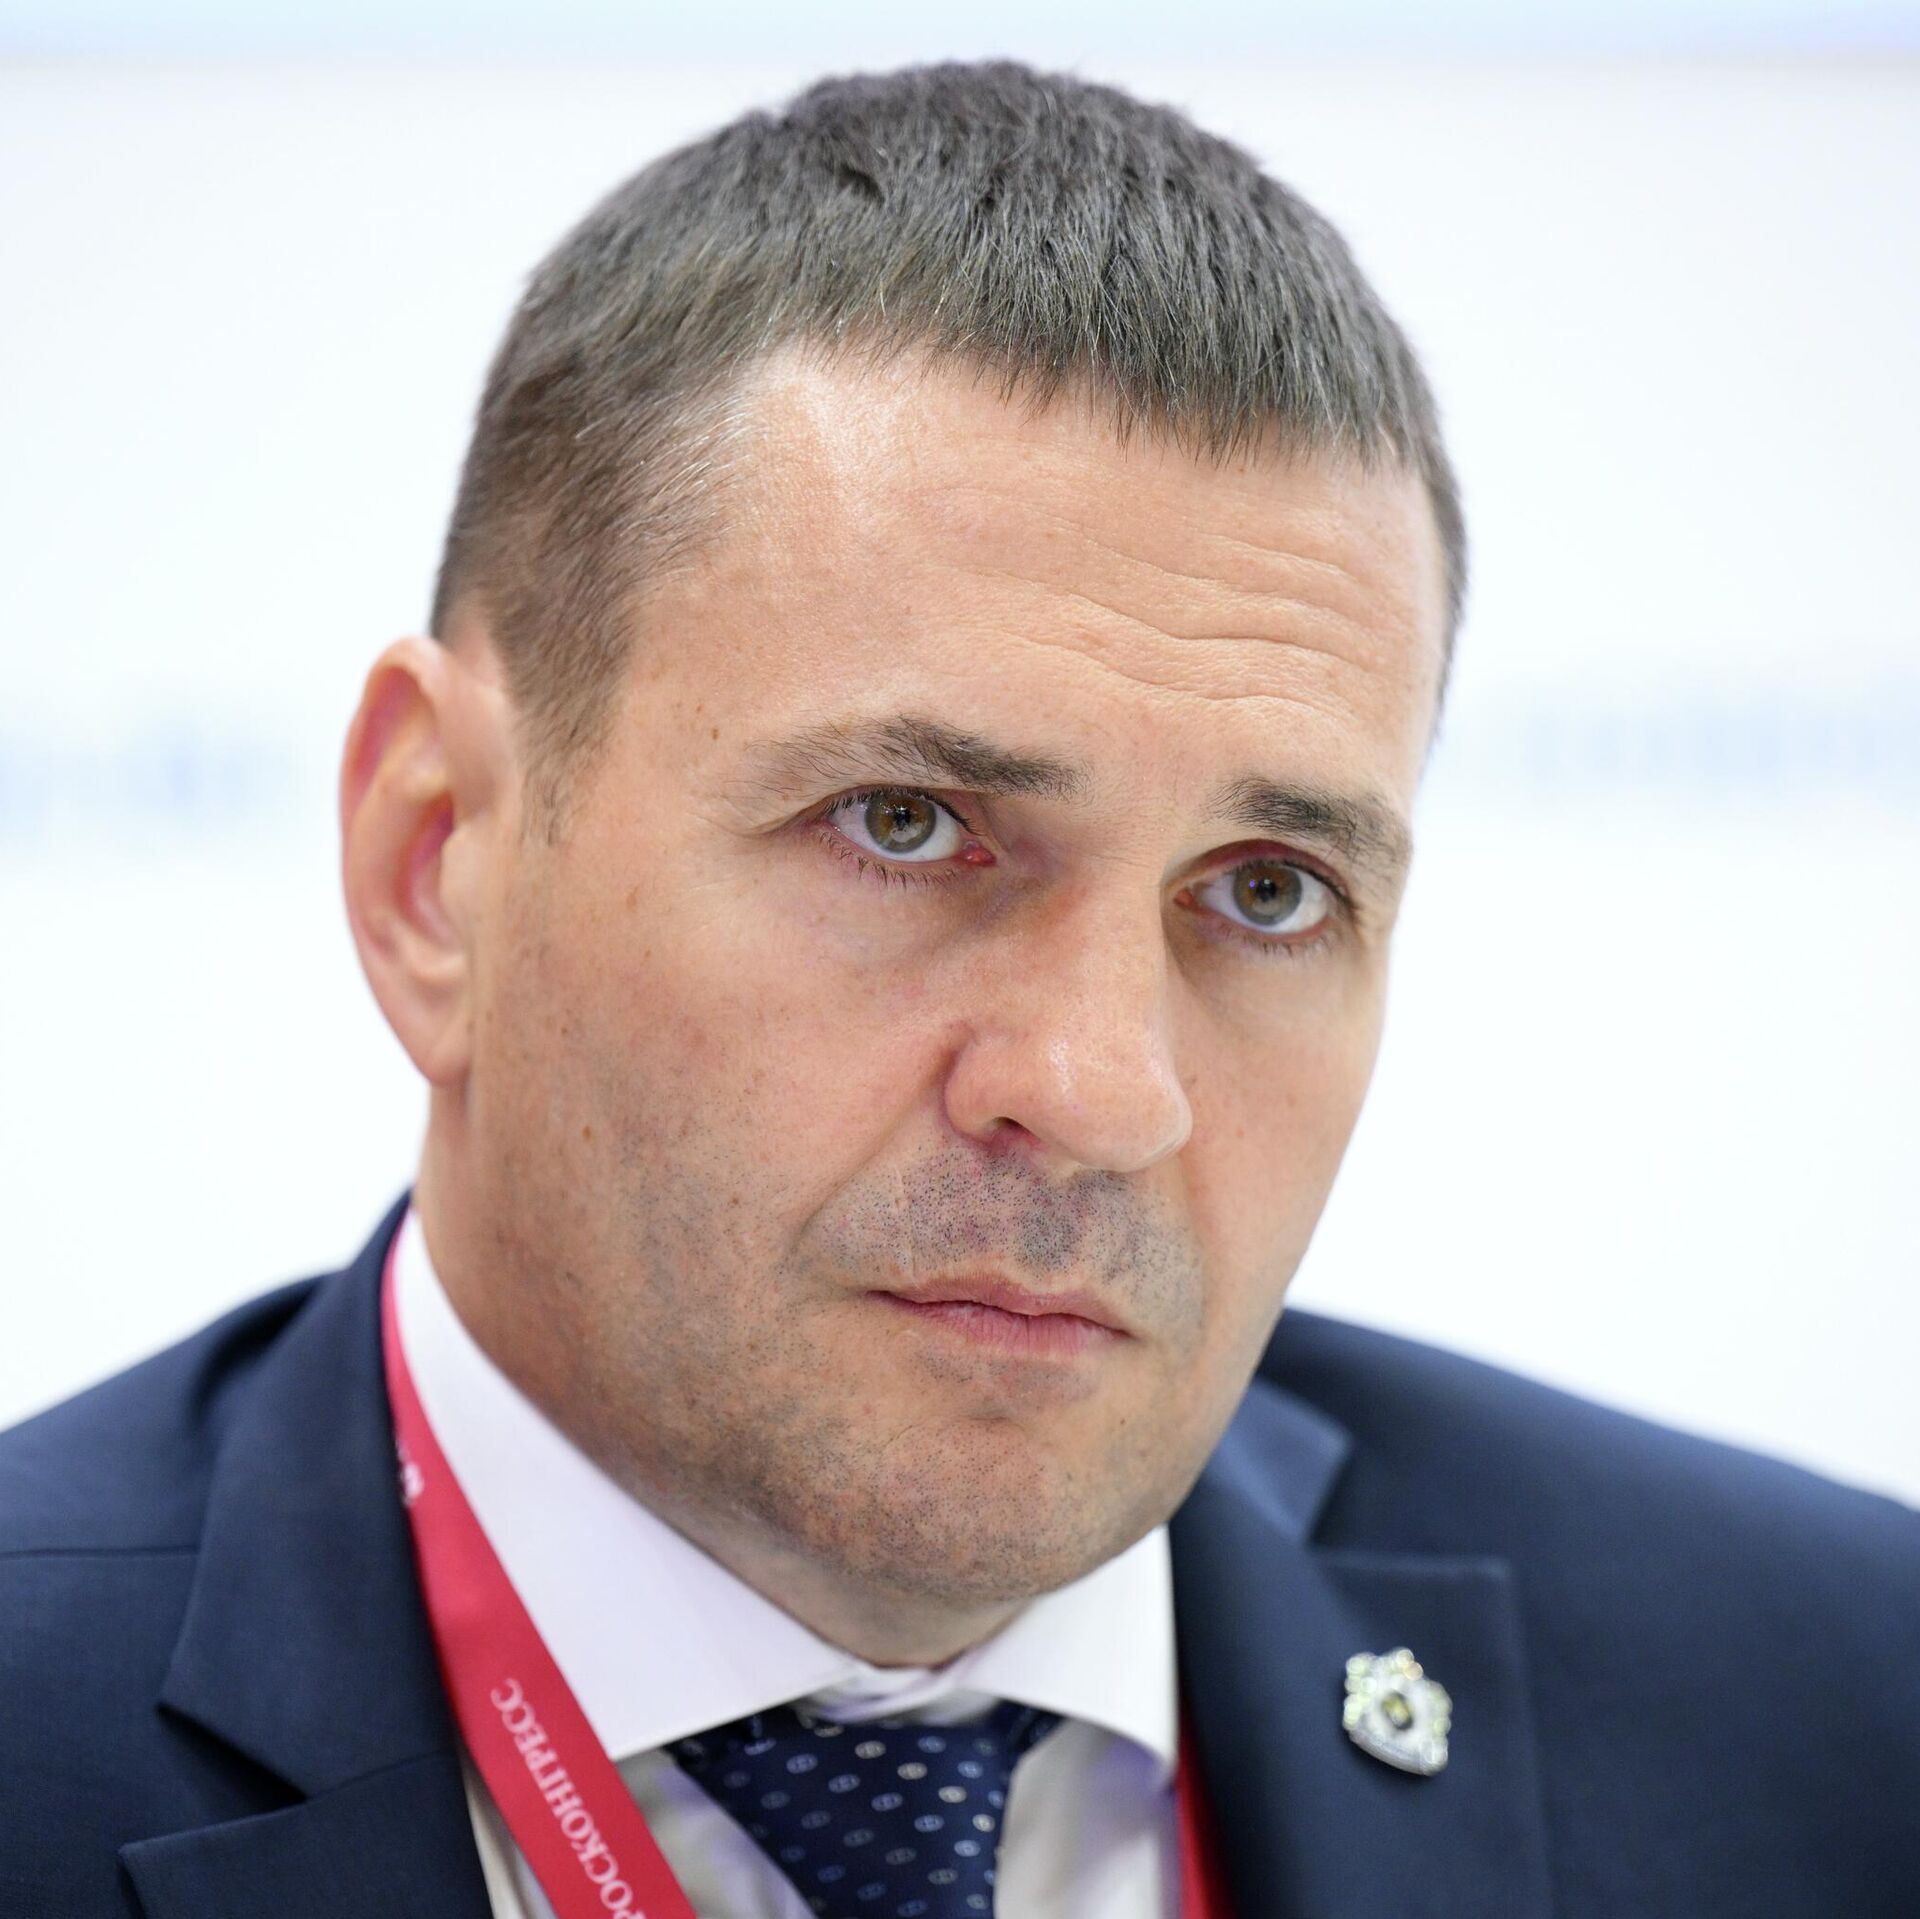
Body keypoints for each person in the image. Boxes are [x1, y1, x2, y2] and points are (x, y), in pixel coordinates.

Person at [1, 57, 1914, 1919]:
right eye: (905, 827)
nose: (1100, 1090)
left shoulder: (1834, 1719)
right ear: (438, 865)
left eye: (1267, 890)